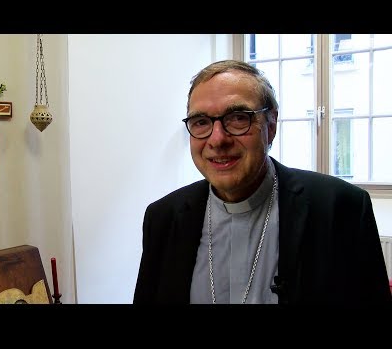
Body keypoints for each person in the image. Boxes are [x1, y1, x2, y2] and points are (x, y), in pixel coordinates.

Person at [133, 59, 392, 305]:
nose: (217, 139)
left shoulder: (341, 208)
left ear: (271, 125)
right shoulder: (163, 218)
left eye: (238, 118)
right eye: (201, 122)